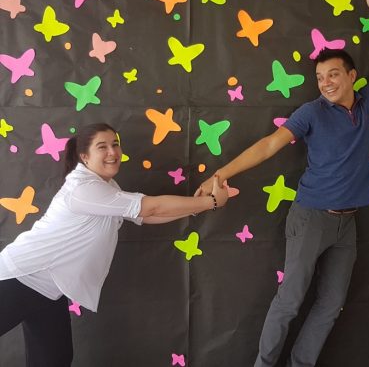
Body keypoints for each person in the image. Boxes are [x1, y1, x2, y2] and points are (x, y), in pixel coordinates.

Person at [199, 0, 369, 367]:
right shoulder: (311, 112)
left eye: (333, 74)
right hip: (311, 217)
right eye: (320, 77)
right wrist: (221, 173)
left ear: (351, 76)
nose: (326, 82)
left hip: (348, 224)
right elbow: (269, 146)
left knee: (331, 305)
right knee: (291, 300)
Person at [0, 122, 227, 367]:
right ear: (85, 156)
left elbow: (146, 216)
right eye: (102, 147)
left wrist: (196, 207)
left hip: (49, 289)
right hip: (21, 277)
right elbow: (151, 208)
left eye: (115, 144)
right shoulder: (83, 188)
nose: (112, 152)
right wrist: (211, 202)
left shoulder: (106, 187)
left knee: (54, 360)